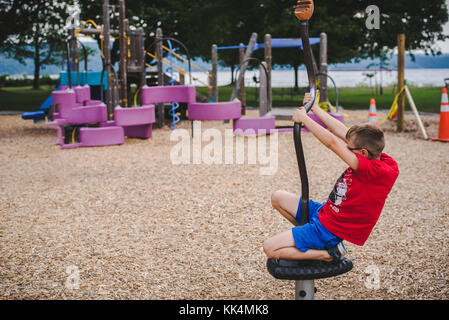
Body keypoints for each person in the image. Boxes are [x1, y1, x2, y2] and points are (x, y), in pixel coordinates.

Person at [263, 92, 399, 262]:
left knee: (269, 248)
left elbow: (332, 143)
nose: (346, 148)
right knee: (278, 197)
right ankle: (310, 240)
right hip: (325, 213)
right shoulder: (376, 156)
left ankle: (328, 254)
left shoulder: (373, 171)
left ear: (363, 153)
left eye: (349, 148)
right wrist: (315, 109)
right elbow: (339, 131)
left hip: (330, 229)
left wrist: (305, 119)